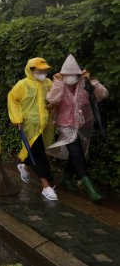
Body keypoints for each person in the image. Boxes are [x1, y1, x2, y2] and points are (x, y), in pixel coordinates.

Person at [46, 54, 108, 202]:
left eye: (73, 74)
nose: (70, 78)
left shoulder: (85, 85)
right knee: (77, 153)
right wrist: (59, 82)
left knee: (77, 154)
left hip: (84, 124)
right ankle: (90, 189)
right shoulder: (58, 85)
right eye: (66, 75)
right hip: (65, 125)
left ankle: (66, 179)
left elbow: (103, 94)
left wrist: (90, 81)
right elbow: (52, 99)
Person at [8, 57, 57, 200]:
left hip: (45, 125)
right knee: (38, 153)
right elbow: (12, 99)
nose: (43, 73)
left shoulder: (48, 83)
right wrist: (17, 118)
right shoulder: (22, 84)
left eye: (45, 70)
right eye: (40, 70)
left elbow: (52, 99)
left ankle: (25, 167)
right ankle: (46, 186)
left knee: (37, 151)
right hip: (29, 125)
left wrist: (51, 105)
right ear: (31, 70)